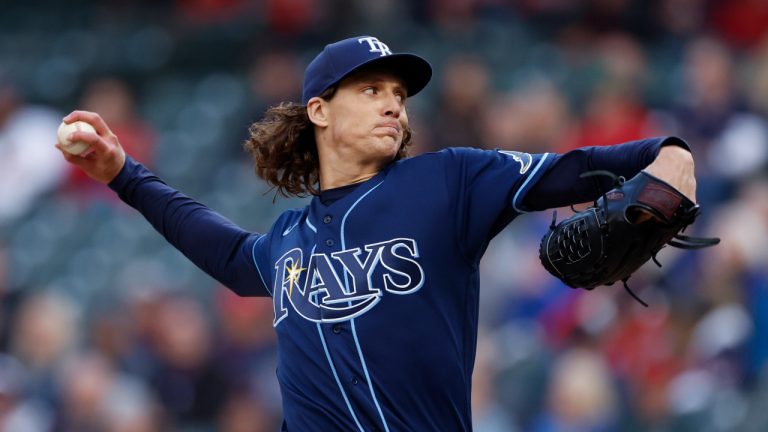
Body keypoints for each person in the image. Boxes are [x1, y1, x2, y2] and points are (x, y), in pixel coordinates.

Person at [58, 35, 698, 431]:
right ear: (318, 110)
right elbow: (225, 251)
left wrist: (667, 152)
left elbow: (573, 169)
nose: (393, 102)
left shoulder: (447, 182)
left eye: (398, 91)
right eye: (370, 89)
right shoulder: (289, 238)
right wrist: (124, 173)